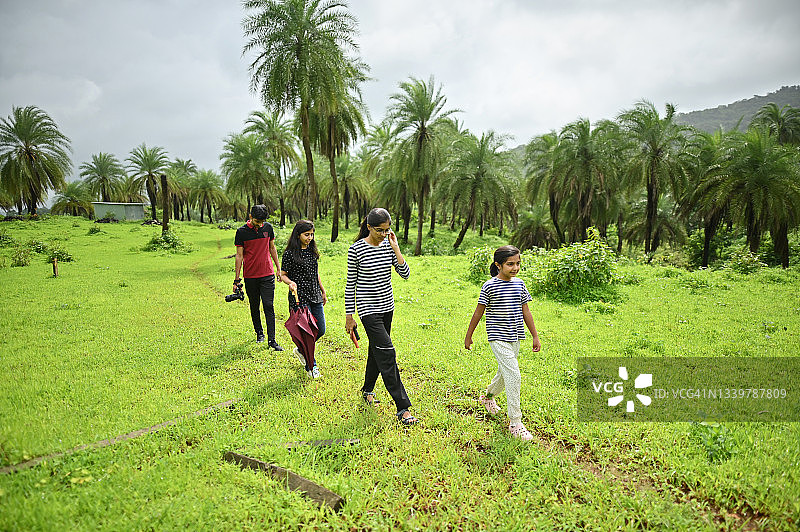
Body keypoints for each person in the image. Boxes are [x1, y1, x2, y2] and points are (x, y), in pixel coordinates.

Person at [345, 208, 418, 426]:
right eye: (380, 230)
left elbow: (405, 274)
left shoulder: (388, 245)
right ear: (368, 227)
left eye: (387, 230)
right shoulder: (356, 250)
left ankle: (367, 389)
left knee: (377, 350)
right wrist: (349, 316)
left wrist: (396, 248)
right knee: (388, 352)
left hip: (388, 307)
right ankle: (402, 407)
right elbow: (351, 285)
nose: (384, 234)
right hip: (368, 310)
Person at [464, 245, 542, 440]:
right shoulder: (489, 286)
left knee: (504, 372)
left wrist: (535, 335)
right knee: (514, 374)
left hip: (515, 336)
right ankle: (515, 423)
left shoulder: (520, 284)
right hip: (497, 337)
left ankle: (487, 397)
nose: (515, 268)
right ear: (498, 265)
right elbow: (478, 312)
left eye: (518, 263)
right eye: (510, 264)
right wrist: (469, 335)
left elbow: (526, 311)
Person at [279, 219, 327, 379]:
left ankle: (301, 350)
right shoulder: (290, 254)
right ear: (298, 234)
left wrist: (322, 289)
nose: (310, 238)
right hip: (299, 297)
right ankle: (311, 366)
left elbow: (315, 272)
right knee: (307, 333)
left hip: (315, 294)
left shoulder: (312, 251)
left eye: (312, 234)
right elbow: (282, 274)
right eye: (307, 234)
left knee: (320, 329)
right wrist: (290, 283)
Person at [234, 205, 283, 350]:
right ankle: (259, 333)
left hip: (267, 274)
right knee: (254, 306)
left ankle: (272, 341)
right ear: (250, 217)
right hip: (250, 276)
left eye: (262, 221)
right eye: (257, 221)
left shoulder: (267, 228)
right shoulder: (241, 232)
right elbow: (239, 255)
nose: (260, 224)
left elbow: (272, 248)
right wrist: (236, 279)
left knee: (268, 305)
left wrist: (278, 268)